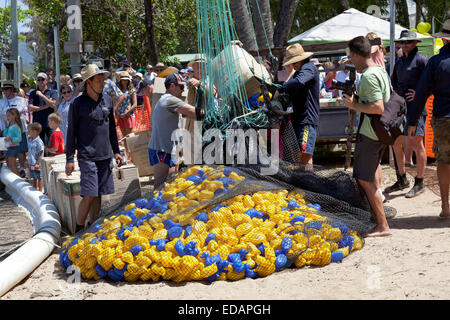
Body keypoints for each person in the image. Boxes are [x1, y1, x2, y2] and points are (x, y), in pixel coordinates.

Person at [65, 64, 124, 232]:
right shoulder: (77, 104)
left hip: (105, 155)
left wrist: (117, 151)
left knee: (99, 194)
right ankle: (78, 230)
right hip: (87, 156)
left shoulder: (107, 100)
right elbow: (71, 133)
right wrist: (70, 159)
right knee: (90, 193)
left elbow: (111, 128)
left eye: (102, 81)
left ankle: (92, 227)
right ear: (88, 83)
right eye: (98, 81)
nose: (102, 84)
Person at [342, 36, 391, 237]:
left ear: (355, 54)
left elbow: (378, 107)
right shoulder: (379, 70)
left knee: (365, 179)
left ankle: (382, 225)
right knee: (367, 178)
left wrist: (354, 105)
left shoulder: (370, 76)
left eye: (350, 56)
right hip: (378, 133)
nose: (350, 60)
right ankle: (379, 222)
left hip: (370, 134)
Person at [408, 20, 450, 218]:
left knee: (443, 161)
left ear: (443, 38)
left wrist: (413, 121)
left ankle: (445, 205)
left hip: (443, 118)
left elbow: (421, 93)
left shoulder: (435, 62)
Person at [384, 30, 429, 198]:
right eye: (402, 42)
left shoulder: (422, 60)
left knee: (417, 144)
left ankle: (420, 182)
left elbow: (431, 83)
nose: (405, 45)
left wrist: (419, 93)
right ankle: (402, 179)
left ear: (415, 42)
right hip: (400, 109)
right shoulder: (400, 62)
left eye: (408, 42)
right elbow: (395, 83)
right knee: (395, 142)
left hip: (416, 109)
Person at [275, 43, 320, 170]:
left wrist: (281, 88)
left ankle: (308, 185)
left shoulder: (309, 68)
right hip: (298, 120)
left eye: (294, 62)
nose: (293, 65)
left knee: (305, 156)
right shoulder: (298, 72)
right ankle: (304, 182)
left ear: (301, 59)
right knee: (298, 154)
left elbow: (299, 81)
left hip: (307, 121)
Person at [148, 73, 196, 189]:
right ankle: (154, 207)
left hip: (169, 149)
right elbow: (194, 112)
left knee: (170, 185)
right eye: (181, 87)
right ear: (172, 86)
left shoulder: (168, 101)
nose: (183, 90)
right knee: (160, 187)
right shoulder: (170, 100)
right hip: (161, 150)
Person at [0, 81, 29, 177]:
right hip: (6, 131)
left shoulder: (20, 100)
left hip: (19, 130)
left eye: (6, 89)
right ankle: (11, 175)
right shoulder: (1, 101)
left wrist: (5, 113)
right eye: (3, 89)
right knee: (8, 155)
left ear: (12, 90)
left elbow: (17, 112)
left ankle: (21, 169)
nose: (4, 91)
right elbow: (11, 113)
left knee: (21, 151)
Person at [28, 72, 58, 144]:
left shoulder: (53, 92)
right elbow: (30, 108)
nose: (40, 81)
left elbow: (53, 105)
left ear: (46, 80)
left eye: (42, 79)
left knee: (52, 145)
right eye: (39, 80)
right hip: (38, 123)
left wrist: (41, 95)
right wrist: (46, 105)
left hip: (50, 123)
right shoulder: (33, 93)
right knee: (39, 147)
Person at [116, 73, 137, 161]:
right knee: (124, 138)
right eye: (123, 79)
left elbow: (135, 104)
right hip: (120, 116)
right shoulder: (118, 90)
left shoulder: (132, 90)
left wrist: (126, 113)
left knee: (129, 137)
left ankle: (133, 157)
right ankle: (128, 157)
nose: (124, 81)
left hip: (128, 115)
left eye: (126, 79)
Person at [3, 108, 23, 175]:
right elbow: (5, 135)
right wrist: (6, 127)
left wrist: (11, 139)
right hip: (8, 147)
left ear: (14, 115)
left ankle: (19, 181)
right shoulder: (10, 126)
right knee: (9, 165)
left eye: (8, 115)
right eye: (7, 115)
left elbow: (19, 138)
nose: (7, 117)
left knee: (12, 165)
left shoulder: (16, 127)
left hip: (13, 148)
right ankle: (12, 181)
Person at [27, 122, 44, 192]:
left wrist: (38, 163)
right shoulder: (31, 140)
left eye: (29, 130)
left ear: (34, 131)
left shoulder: (39, 141)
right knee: (34, 176)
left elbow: (40, 153)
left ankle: (40, 190)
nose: (28, 132)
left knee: (39, 177)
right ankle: (34, 189)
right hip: (31, 162)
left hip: (36, 162)